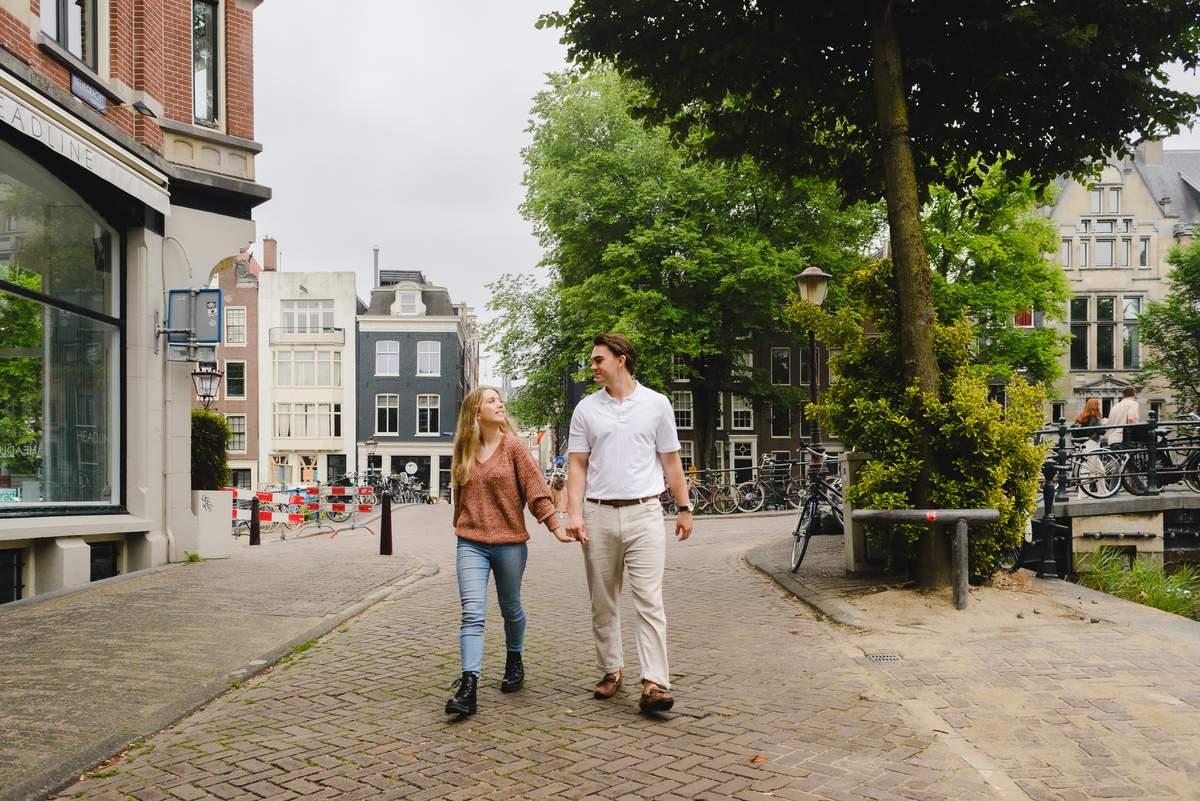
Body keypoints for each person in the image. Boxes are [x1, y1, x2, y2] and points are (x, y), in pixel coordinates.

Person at [565, 332, 693, 713]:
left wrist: (684, 507)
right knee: (602, 601)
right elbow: (577, 465)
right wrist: (573, 513)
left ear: (620, 359)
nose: (592, 366)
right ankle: (611, 670)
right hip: (598, 512)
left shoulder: (657, 404)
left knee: (649, 600)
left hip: (645, 512)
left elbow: (671, 461)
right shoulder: (586, 409)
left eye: (598, 359)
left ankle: (654, 683)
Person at [445, 386, 575, 717]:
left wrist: (556, 529)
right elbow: (459, 495)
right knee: (472, 613)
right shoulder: (464, 449)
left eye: (500, 400)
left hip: (510, 543)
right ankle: (469, 685)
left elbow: (536, 491)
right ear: (476, 412)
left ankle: (514, 657)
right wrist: (461, 524)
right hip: (470, 542)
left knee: (510, 608)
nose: (500, 404)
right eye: (492, 401)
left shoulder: (514, 447)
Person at [1074, 398, 1104, 499]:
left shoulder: (1081, 417)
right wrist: (1104, 422)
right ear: (1095, 406)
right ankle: (1083, 495)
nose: (1100, 406)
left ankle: (1103, 492)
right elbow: (1102, 431)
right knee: (1087, 469)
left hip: (1083, 444)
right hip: (1092, 444)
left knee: (1100, 469)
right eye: (1099, 404)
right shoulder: (1095, 417)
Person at [1104, 386, 1140, 450]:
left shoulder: (1115, 406)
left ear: (1122, 395)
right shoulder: (1133, 404)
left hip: (1112, 440)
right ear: (1135, 395)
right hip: (1123, 440)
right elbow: (1131, 419)